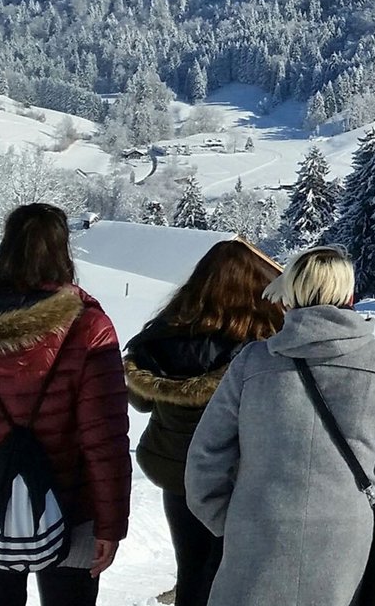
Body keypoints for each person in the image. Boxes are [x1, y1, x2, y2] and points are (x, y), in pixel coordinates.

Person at [186, 248, 375, 606]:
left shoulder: (251, 362)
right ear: (349, 295)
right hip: (350, 543)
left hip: (257, 536)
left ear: (291, 294)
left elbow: (205, 459)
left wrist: (233, 522)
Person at [0, 203, 130, 606]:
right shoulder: (88, 325)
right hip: (72, 504)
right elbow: (104, 436)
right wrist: (111, 524)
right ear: (64, 251)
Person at [123, 240, 283, 606]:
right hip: (243, 476)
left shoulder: (161, 335)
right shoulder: (264, 344)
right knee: (241, 575)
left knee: (192, 569)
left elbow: (142, 402)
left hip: (177, 473)